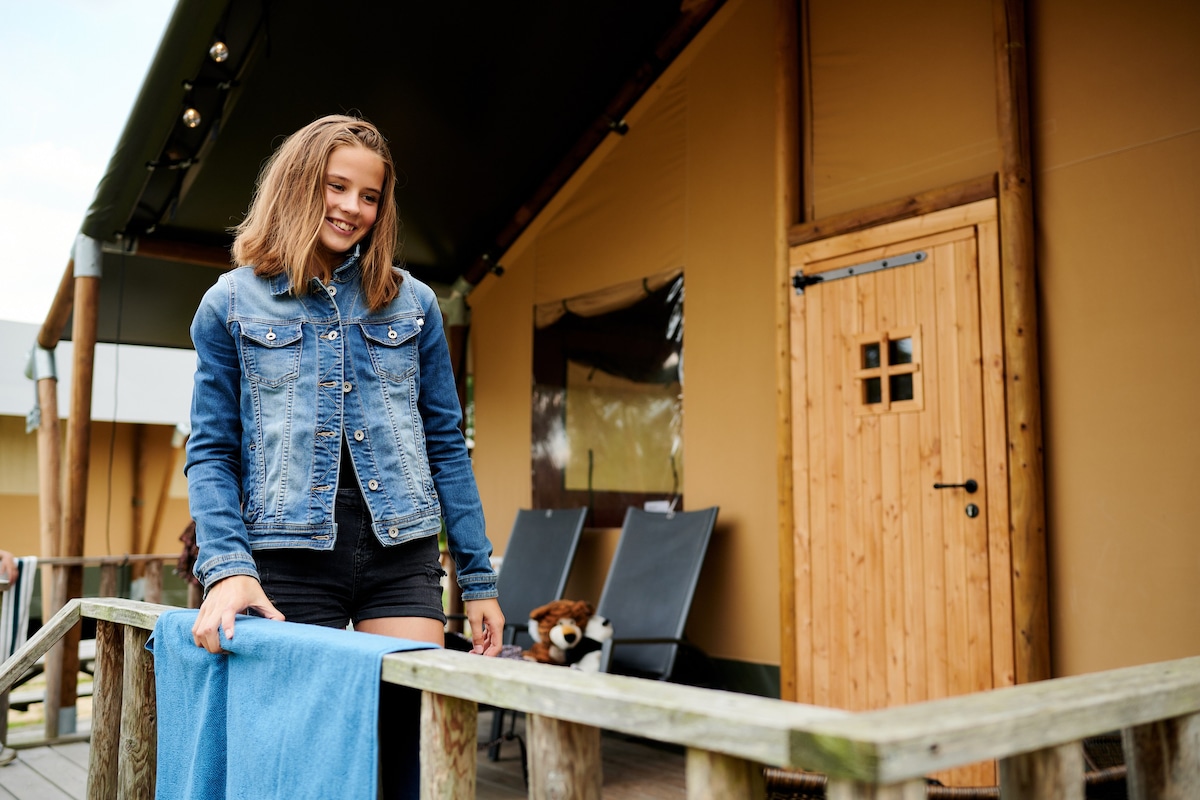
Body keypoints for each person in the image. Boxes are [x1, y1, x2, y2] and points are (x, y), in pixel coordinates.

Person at [185, 114, 504, 796]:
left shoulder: (412, 303)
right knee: (298, 766)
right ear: (300, 184)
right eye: (338, 187)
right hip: (287, 561)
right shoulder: (230, 304)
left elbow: (447, 444)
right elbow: (211, 453)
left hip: (402, 553)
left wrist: (477, 580)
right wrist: (227, 568)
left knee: (405, 755)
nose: (354, 209)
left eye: (370, 197)